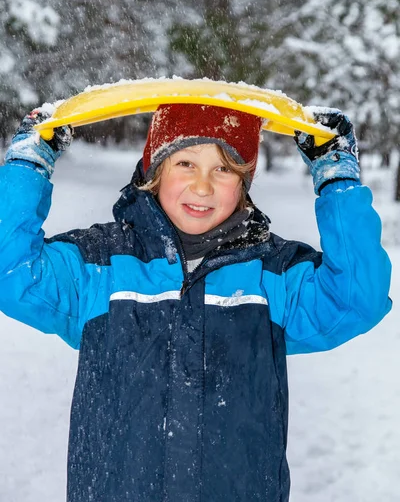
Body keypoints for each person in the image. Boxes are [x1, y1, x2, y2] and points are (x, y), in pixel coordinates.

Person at [0, 101, 391, 502]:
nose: (203, 186)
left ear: (243, 185)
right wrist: (29, 163)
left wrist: (336, 176)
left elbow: (357, 298)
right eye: (185, 163)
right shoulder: (101, 266)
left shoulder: (271, 275)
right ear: (154, 173)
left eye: (223, 169)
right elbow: (11, 272)